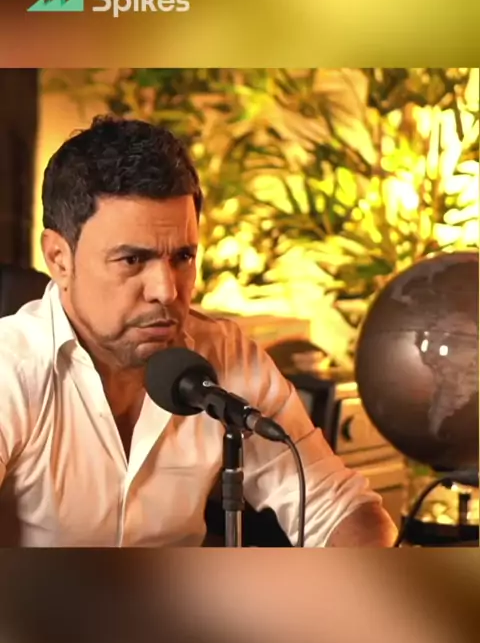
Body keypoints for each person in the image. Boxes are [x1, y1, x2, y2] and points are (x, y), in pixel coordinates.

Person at [0, 116, 397, 547]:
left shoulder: (225, 356)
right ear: (59, 258)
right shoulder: (11, 368)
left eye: (183, 257)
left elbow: (339, 506)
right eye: (133, 260)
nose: (166, 290)